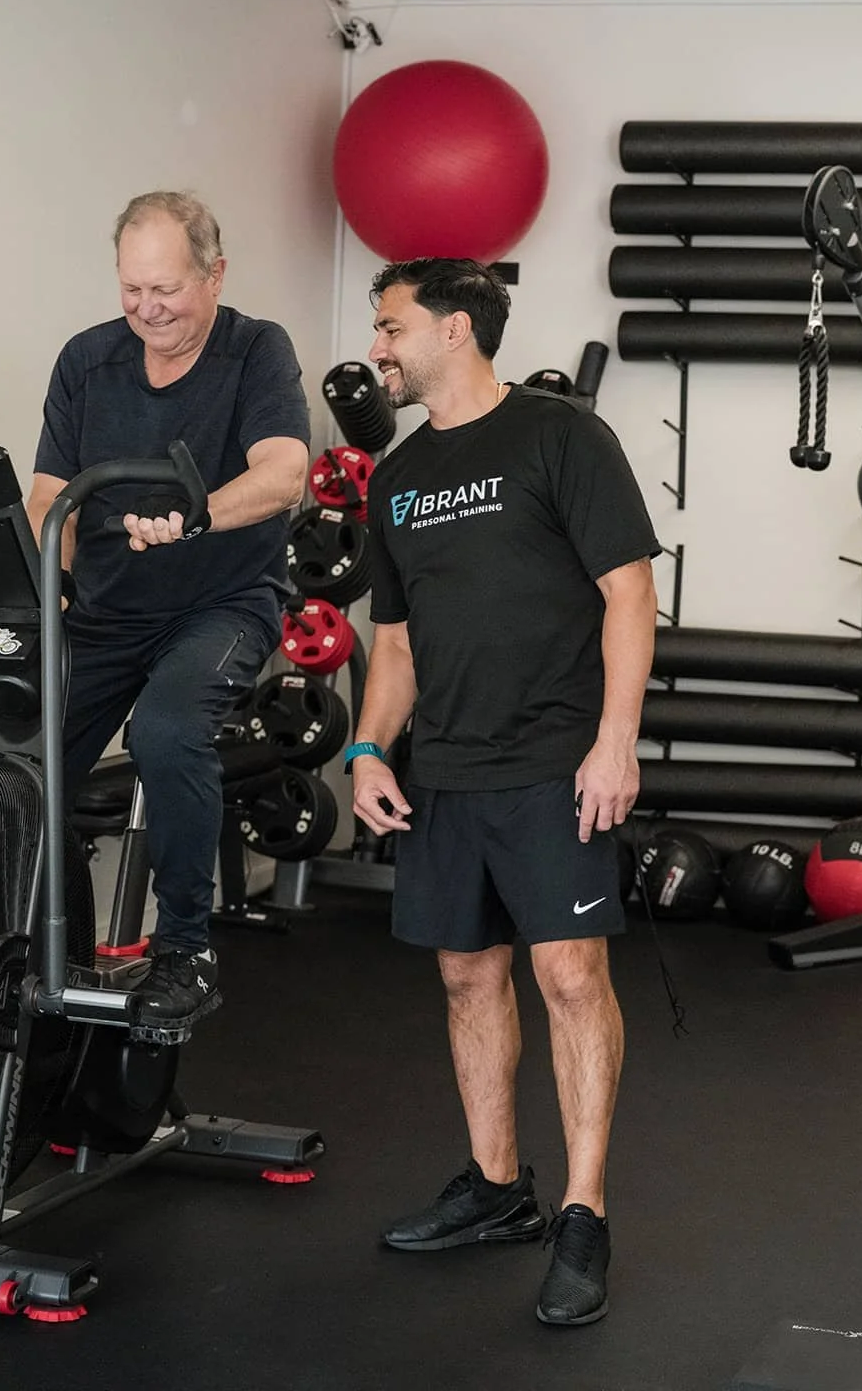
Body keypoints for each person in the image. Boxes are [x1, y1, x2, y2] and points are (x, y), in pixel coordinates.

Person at [348, 257, 659, 1326]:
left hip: (552, 758)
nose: (376, 348)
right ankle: (494, 1189)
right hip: (443, 767)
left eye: (391, 327)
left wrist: (614, 743)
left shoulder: (557, 436)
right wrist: (367, 749)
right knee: (466, 976)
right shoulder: (395, 478)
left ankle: (582, 1212)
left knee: (569, 977)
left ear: (454, 330)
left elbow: (628, 594)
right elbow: (394, 643)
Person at [27, 191, 310, 1042]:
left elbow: (284, 474)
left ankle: (185, 949)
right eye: (132, 288)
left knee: (166, 730)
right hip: (106, 607)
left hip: (221, 601)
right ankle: (32, 931)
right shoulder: (87, 360)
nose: (148, 308)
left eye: (167, 289)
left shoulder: (255, 350)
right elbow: (50, 495)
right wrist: (52, 586)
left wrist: (196, 516)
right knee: (22, 761)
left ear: (214, 275)